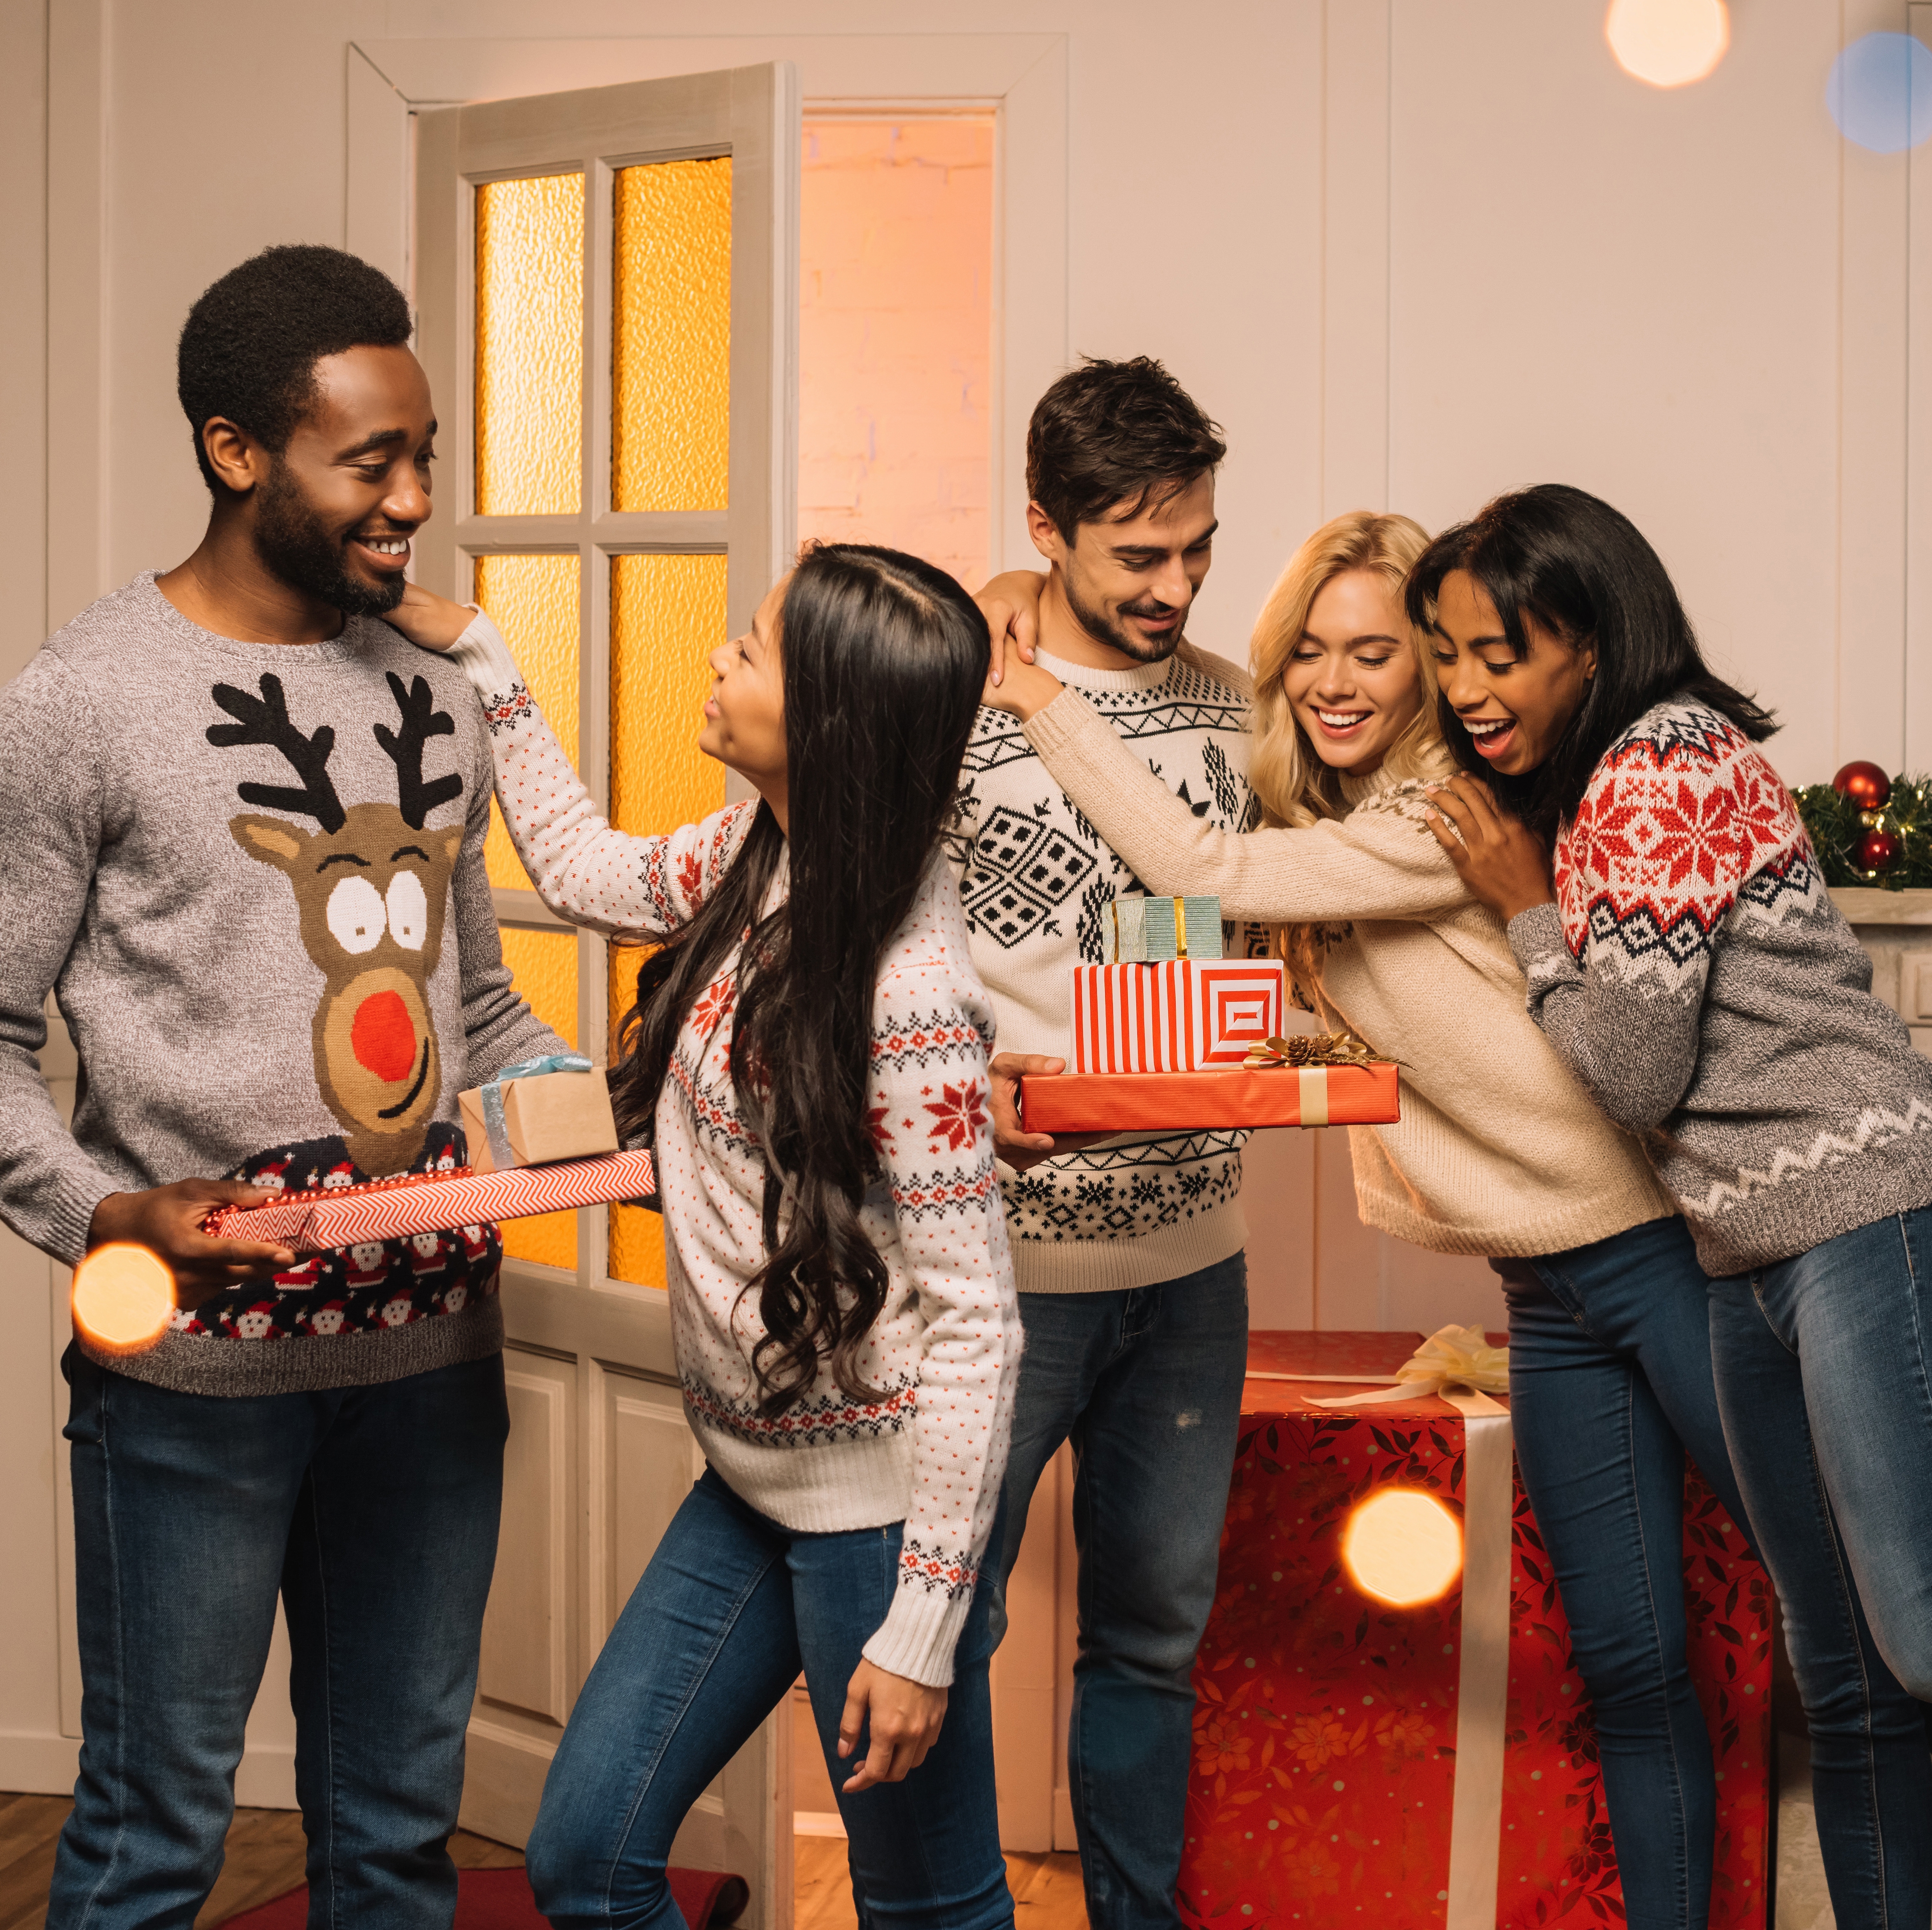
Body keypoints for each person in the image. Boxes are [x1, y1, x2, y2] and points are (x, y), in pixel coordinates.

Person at [980, 509, 1753, 1930]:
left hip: (1661, 1261)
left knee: (1858, 1620)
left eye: (1381, 654)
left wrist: (1037, 689)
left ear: (1431, 679)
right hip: (1552, 1294)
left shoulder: (1441, 808)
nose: (1339, 683)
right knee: (1635, 1667)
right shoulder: (1351, 834)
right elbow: (1324, 1016)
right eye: (1312, 654)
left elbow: (1209, 876)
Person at [0, 246, 570, 1930]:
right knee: (149, 1847)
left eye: (424, 457)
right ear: (235, 451)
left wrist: (626, 1123)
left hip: (430, 1366)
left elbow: (476, 1005)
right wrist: (106, 1208)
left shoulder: (437, 694)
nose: (412, 501)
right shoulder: (81, 703)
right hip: (185, 1383)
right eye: (369, 462)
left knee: (395, 1851)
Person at [387, 542, 1023, 1930]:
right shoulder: (762, 854)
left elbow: (980, 1324)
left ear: (833, 725)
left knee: (933, 1911)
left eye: (755, 645)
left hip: (874, 1518)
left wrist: (919, 1632)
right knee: (588, 1862)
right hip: (750, 1482)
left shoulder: (909, 999)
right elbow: (581, 867)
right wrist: (485, 656)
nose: (722, 658)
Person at [1417, 482, 1932, 1930]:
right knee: (1841, 1670)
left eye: (1499, 655)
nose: (1466, 689)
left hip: (1854, 1215)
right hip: (1744, 1251)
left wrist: (1527, 910)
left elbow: (1638, 1068)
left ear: (1590, 639)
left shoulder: (1661, 761)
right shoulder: (1596, 789)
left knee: (1916, 1634)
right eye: (1447, 655)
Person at [944, 356, 1263, 1930]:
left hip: (1198, 1265)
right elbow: (879, 941)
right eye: (1140, 553)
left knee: (1153, 1641)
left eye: (1198, 546)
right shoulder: (957, 691)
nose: (1178, 583)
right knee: (941, 1620)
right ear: (1045, 534)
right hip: (1004, 1272)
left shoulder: (1232, 704)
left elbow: (1246, 918)